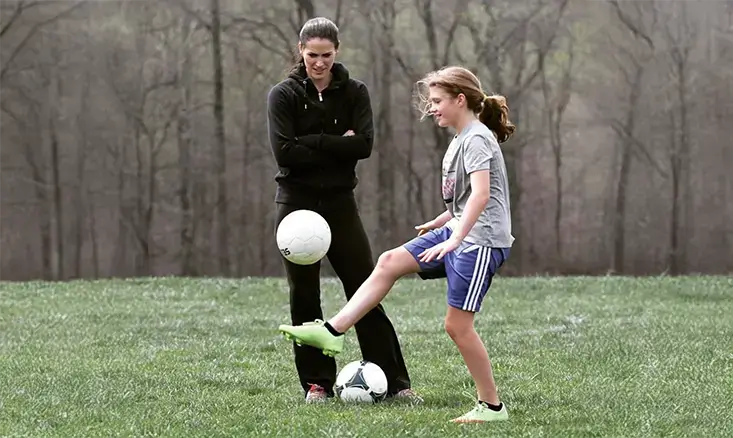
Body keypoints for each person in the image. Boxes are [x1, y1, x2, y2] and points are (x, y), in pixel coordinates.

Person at [278, 65, 516, 423]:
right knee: (389, 261)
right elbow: (468, 200)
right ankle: (332, 332)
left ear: (460, 99)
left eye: (437, 101)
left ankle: (492, 406)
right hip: (460, 231)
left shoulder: (477, 138)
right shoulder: (461, 138)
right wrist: (442, 220)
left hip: (479, 241)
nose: (432, 108)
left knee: (457, 326)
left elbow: (482, 196)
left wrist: (454, 238)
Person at [266, 17, 419, 404]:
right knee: (304, 295)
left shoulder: (355, 92)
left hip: (339, 203)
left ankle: (396, 383)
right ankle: (316, 384)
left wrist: (310, 141)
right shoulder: (283, 96)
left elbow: (363, 145)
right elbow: (284, 153)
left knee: (365, 287)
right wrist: (336, 141)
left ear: (337, 52)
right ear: (300, 51)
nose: (319, 63)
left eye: (327, 55)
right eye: (312, 55)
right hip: (296, 206)